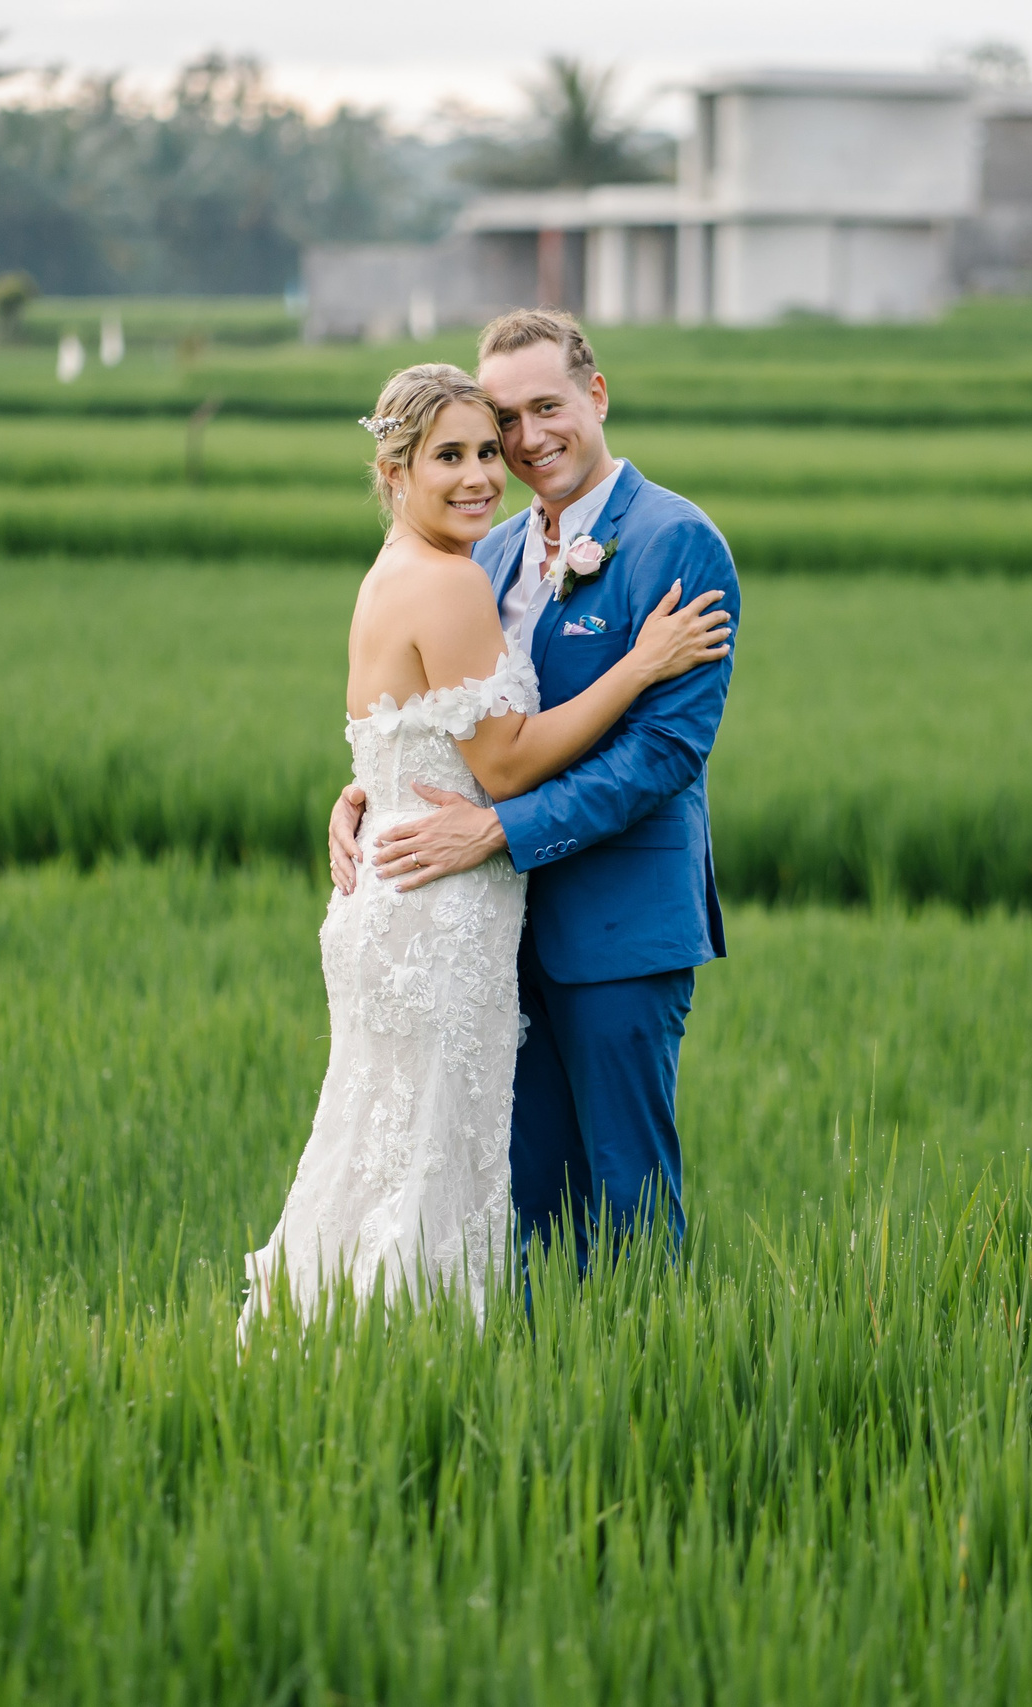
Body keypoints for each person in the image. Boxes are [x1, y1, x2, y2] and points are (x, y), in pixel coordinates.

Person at [242, 361, 730, 1328]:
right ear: (396, 470)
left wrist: (391, 792)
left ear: (596, 393)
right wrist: (372, 793)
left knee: (577, 1189)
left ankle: (634, 1390)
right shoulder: (481, 556)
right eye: (473, 440)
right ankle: (424, 1365)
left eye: (533, 413)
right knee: (471, 1179)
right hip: (453, 918)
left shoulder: (675, 540)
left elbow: (665, 750)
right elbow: (484, 749)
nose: (498, 457)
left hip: (597, 923)